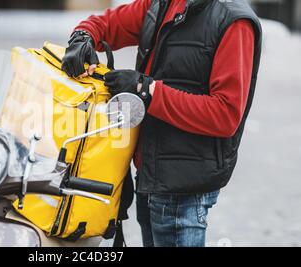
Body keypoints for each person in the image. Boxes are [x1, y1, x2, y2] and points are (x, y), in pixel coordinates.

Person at [61, 0, 262, 247]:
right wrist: (83, 37)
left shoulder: (233, 20)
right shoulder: (162, 3)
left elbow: (225, 115)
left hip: (184, 189)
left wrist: (145, 90)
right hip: (149, 174)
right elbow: (107, 24)